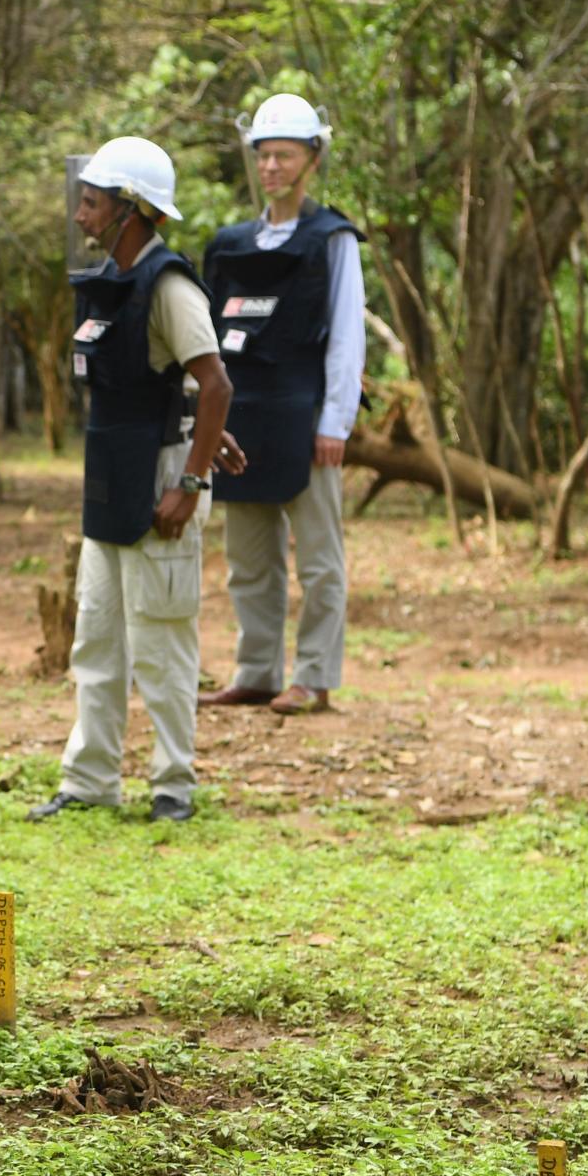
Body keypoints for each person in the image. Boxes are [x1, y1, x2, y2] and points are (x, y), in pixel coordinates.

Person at [26, 139, 234, 826]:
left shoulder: (168, 286)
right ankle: (90, 780)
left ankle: (173, 784)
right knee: (97, 638)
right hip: (109, 480)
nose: (80, 213)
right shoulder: (108, 285)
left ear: (133, 210)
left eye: (92, 202)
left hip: (162, 480)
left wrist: (192, 481)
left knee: (162, 642)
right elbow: (158, 385)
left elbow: (214, 383)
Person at [200, 93, 366, 717]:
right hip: (243, 421)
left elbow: (347, 336)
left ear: (312, 159)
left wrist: (336, 422)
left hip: (307, 418)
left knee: (320, 562)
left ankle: (315, 676)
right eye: (264, 155)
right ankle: (257, 672)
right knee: (249, 560)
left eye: (285, 156)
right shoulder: (229, 244)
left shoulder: (332, 239)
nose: (271, 167)